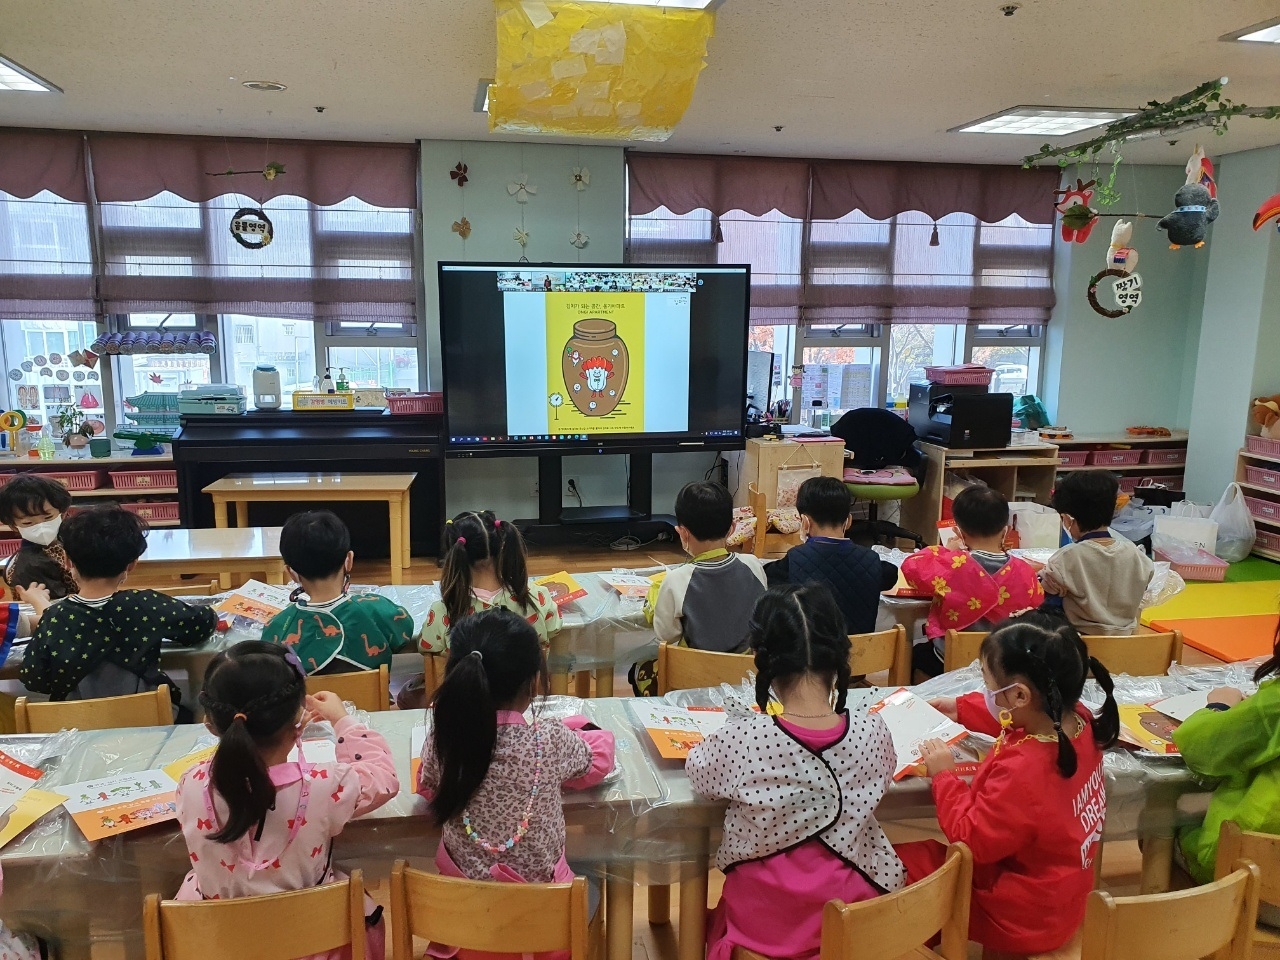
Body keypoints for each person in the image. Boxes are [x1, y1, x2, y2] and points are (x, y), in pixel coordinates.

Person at [687, 584, 906, 960]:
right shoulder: (874, 730)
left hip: (766, 923)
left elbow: (699, 773)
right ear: (839, 653)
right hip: (854, 921)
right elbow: (883, 774)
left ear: (760, 657)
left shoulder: (743, 737)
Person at [897, 613, 1120, 958]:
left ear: (1018, 695)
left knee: (902, 866)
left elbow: (970, 839)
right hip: (1059, 900)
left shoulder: (1024, 770)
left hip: (1018, 913)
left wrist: (944, 776)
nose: (986, 692)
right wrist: (962, 709)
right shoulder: (1079, 721)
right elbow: (1023, 717)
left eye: (988, 684)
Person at [173, 641, 398, 960]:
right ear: (299, 725)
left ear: (210, 725)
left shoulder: (191, 784)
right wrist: (343, 720)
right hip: (315, 942)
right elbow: (382, 777)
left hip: (220, 943)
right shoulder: (326, 785)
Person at [417, 608, 615, 945]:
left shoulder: (443, 740)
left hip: (463, 926)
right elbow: (599, 759)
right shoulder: (549, 739)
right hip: (543, 928)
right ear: (533, 681)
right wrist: (575, 728)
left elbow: (427, 783)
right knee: (594, 875)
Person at [18, 505, 215, 708]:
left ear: (67, 561)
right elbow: (202, 624)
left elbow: (34, 679)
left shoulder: (54, 616)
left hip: (76, 723)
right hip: (150, 718)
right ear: (132, 564)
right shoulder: (145, 604)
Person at [1174, 623, 1280, 921]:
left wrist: (1220, 705)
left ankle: (1177, 932)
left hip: (1256, 884)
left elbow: (1200, 747)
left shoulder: (1274, 705)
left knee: (1165, 824)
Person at [630, 482, 767, 695]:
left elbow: (666, 636)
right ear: (732, 528)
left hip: (691, 683)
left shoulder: (675, 580)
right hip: (745, 681)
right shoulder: (754, 565)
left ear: (683, 533)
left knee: (638, 670)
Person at [901, 486, 1044, 678]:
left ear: (958, 532)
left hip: (949, 660)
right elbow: (1036, 603)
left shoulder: (953, 564)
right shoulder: (1025, 571)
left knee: (916, 653)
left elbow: (911, 567)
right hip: (1002, 663)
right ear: (1006, 531)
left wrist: (946, 550)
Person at [261, 510, 415, 676]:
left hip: (306, 694)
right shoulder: (377, 609)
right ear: (349, 560)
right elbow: (405, 632)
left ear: (291, 573)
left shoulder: (277, 627)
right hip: (369, 694)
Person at [765, 476, 897, 635]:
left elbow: (765, 576)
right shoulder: (872, 560)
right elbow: (891, 574)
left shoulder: (795, 559)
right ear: (848, 521)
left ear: (804, 521)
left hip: (811, 650)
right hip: (861, 650)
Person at [419, 511, 560, 654]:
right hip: (525, 669)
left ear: (454, 556)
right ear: (502, 546)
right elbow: (555, 629)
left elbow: (427, 649)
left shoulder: (443, 611)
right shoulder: (537, 598)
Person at [1041, 470, 1153, 635]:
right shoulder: (1137, 556)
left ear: (1067, 519)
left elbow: (1044, 593)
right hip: (1127, 642)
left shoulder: (1067, 557)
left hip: (1080, 643)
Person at [0, 473, 76, 600]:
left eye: (48, 517)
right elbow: (53, 607)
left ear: (62, 514)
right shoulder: (30, 566)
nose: (41, 527)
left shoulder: (65, 541)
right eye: (28, 523)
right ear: (14, 526)